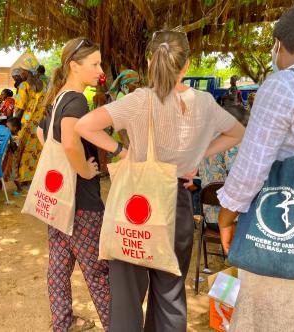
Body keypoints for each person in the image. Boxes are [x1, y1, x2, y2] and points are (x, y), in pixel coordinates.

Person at [75, 29, 244, 332]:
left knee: (127, 299)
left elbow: (85, 125)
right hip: (176, 204)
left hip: (135, 205)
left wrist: (122, 151)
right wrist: (198, 155)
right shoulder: (204, 103)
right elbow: (237, 134)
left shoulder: (139, 101)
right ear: (187, 65)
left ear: (150, 60)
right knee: (170, 295)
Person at [217, 5, 294, 332]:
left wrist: (226, 217)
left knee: (274, 318)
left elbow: (252, 165)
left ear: (279, 44)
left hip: (280, 242)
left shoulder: (282, 84)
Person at [36, 38, 110, 332]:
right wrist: (86, 171)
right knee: (99, 273)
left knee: (58, 266)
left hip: (58, 200)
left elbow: (43, 135)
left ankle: (62, 325)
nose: (100, 70)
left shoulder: (58, 99)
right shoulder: (77, 100)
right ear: (74, 66)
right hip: (82, 202)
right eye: (94, 64)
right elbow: (68, 143)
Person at [12, 52, 46, 194]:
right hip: (40, 123)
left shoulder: (24, 86)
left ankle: (23, 180)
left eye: (21, 71)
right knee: (35, 151)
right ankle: (34, 179)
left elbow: (19, 108)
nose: (20, 74)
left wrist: (13, 124)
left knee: (21, 151)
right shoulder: (43, 84)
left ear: (27, 72)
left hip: (26, 123)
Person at [0, 116, 22, 195]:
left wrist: (9, 138)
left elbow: (14, 148)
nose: (6, 129)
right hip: (4, 157)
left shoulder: (16, 138)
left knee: (13, 174)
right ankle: (0, 186)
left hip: (11, 160)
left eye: (8, 127)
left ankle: (19, 188)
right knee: (1, 170)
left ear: (15, 128)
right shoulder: (6, 135)